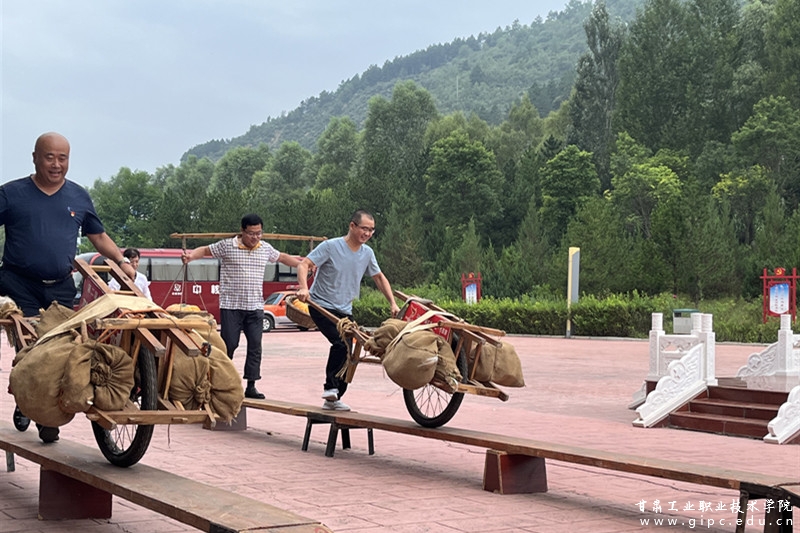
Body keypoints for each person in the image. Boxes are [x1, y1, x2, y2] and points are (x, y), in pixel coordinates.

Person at [0, 131, 138, 443]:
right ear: (35, 158)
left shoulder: (78, 196)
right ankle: (30, 401)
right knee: (32, 344)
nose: (56, 164)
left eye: (62, 158)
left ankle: (43, 408)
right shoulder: (11, 194)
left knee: (62, 347)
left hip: (60, 286)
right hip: (18, 283)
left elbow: (97, 235)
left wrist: (121, 260)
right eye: (49, 157)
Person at [181, 214, 302, 399]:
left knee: (255, 346)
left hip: (255, 306)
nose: (255, 237)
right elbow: (205, 250)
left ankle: (251, 385)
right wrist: (191, 256)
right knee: (229, 344)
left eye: (259, 233)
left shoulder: (265, 248)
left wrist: (302, 265)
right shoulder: (227, 246)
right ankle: (221, 381)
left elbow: (283, 257)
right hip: (231, 306)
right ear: (242, 231)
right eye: (251, 233)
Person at [296, 209, 400, 411]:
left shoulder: (367, 253)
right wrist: (303, 288)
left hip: (345, 309)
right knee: (340, 343)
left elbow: (379, 277)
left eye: (371, 230)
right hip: (321, 305)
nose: (367, 233)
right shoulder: (330, 246)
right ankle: (330, 388)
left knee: (350, 354)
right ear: (352, 226)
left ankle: (335, 397)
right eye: (364, 228)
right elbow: (304, 264)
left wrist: (392, 303)